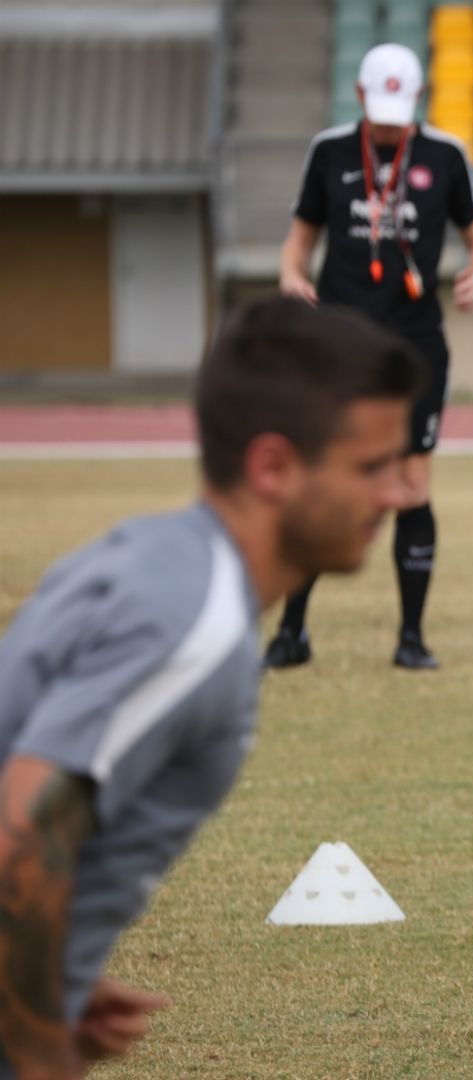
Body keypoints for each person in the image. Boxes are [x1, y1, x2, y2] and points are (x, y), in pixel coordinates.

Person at [0, 299, 419, 1080]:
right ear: (273, 468)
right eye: (372, 467)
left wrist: (51, 972)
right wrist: (37, 1052)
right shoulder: (193, 627)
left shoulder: (144, 555)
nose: (401, 494)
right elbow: (18, 844)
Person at [267, 42, 473, 672]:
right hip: (339, 345)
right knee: (320, 478)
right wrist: (291, 277)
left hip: (415, 345)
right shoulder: (330, 151)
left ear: (417, 98)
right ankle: (291, 633)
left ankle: (411, 639)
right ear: (360, 97)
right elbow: (298, 241)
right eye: (379, 112)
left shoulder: (446, 155)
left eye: (401, 112)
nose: (390, 126)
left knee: (412, 485)